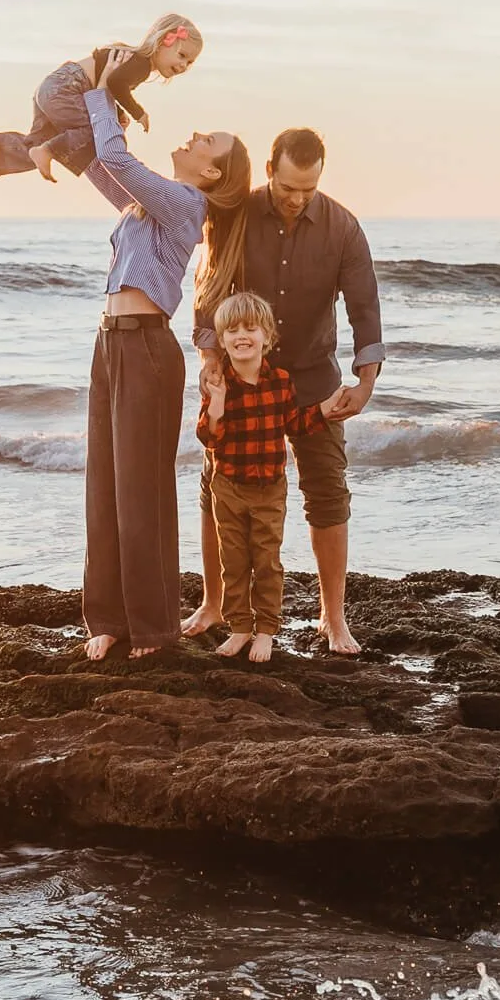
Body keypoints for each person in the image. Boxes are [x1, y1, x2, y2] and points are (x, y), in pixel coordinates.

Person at [184, 127, 383, 656]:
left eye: (309, 189)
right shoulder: (234, 214)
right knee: (217, 488)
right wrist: (209, 357)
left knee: (327, 488)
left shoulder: (343, 228)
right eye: (289, 187)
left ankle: (332, 618)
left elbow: (365, 308)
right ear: (270, 169)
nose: (298, 199)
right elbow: (209, 288)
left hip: (313, 377)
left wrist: (365, 382)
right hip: (242, 374)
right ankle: (213, 603)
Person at [72, 82, 250, 661]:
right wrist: (88, 93)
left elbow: (118, 158)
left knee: (141, 490)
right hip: (109, 344)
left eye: (210, 141)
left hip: (148, 347)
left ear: (214, 174)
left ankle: (152, 627)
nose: (197, 135)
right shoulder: (147, 201)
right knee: (104, 487)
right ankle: (106, 618)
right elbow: (101, 163)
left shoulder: (188, 204)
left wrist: (102, 96)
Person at [194, 291, 334, 665]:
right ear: (222, 341)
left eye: (251, 328)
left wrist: (326, 409)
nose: (242, 335)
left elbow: (294, 425)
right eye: (233, 330)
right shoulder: (218, 383)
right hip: (228, 486)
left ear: (266, 337)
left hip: (270, 488)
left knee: (267, 561)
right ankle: (239, 626)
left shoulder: (281, 382)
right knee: (234, 561)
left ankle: (267, 630)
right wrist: (218, 404)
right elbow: (208, 438)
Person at [0, 15, 203, 183]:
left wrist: (118, 113)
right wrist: (137, 113)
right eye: (182, 56)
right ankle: (46, 151)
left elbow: (110, 85)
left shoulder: (131, 59)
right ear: (162, 43)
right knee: (91, 131)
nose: (183, 65)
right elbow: (114, 83)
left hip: (52, 86)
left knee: (41, 141)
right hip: (66, 89)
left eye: (190, 63)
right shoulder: (141, 65)